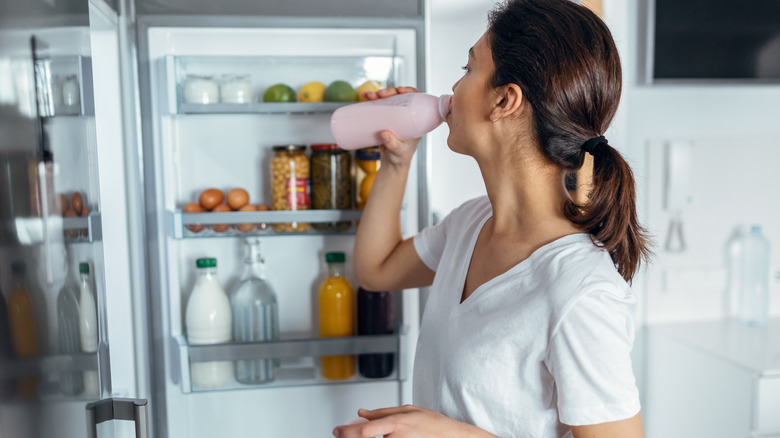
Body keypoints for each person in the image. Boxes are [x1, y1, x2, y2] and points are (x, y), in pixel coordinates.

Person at [333, 0, 650, 436]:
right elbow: (376, 270)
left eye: (468, 70)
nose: (453, 89)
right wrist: (395, 163)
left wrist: (450, 433)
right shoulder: (472, 223)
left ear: (505, 99)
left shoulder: (580, 291)